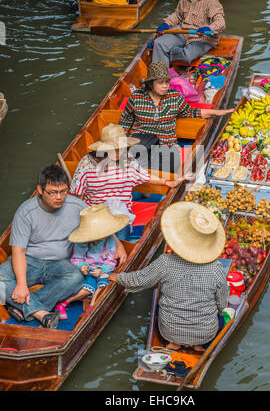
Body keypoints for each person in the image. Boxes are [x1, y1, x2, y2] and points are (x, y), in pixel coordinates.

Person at [109, 202, 228, 351]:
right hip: (205, 333)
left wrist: (118, 277)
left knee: (159, 303)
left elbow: (139, 279)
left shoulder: (166, 262)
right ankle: (198, 345)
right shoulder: (216, 268)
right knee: (222, 316)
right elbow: (222, 303)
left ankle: (174, 343)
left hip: (170, 330)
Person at [0, 165, 87, 328]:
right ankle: (41, 314)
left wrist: (117, 244)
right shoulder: (26, 211)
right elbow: (18, 251)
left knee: (76, 277)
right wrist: (21, 284)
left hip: (61, 263)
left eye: (63, 191)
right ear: (40, 189)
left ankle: (24, 309)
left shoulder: (77, 206)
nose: (59, 197)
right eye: (53, 192)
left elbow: (99, 224)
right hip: (30, 261)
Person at [69, 124, 189, 239]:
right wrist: (81, 220)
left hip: (120, 213)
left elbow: (144, 175)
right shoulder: (87, 164)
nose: (118, 153)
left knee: (119, 240)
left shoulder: (128, 160)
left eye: (121, 148)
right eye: (113, 149)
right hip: (94, 213)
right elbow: (78, 196)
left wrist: (168, 183)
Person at [119, 61, 234, 171]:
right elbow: (125, 121)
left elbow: (192, 112)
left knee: (166, 164)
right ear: (150, 84)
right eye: (160, 83)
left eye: (167, 82)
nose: (165, 86)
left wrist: (217, 112)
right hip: (143, 141)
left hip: (165, 144)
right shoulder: (136, 97)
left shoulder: (175, 97)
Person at [55, 204, 130, 319]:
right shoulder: (81, 242)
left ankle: (92, 306)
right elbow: (76, 259)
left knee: (104, 280)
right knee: (86, 289)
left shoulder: (110, 240)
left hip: (104, 269)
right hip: (88, 271)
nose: (104, 235)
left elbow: (111, 261)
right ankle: (63, 303)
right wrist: (83, 266)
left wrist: (101, 269)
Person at [152, 0, 225, 66]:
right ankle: (160, 77)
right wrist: (167, 24)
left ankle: (168, 52)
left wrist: (208, 28)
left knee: (187, 56)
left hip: (202, 38)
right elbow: (177, 15)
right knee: (159, 43)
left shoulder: (212, 1)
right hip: (183, 32)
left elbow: (220, 23)